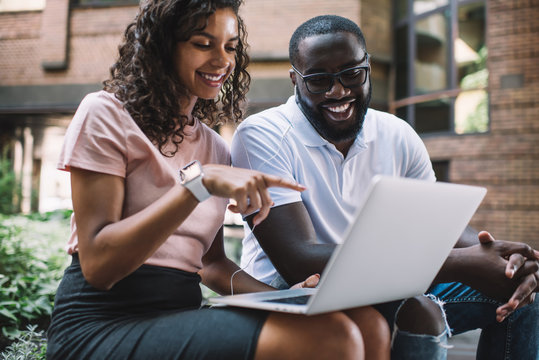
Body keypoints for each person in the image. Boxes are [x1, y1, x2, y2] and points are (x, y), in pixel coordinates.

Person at [46, 2, 393, 360]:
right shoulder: (105, 114)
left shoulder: (213, 145)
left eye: (230, 47)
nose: (222, 60)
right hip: (102, 323)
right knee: (331, 337)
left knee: (368, 323)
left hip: (177, 313)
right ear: (164, 46)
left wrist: (287, 296)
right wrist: (198, 185)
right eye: (203, 44)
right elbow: (99, 267)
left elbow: (211, 266)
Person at [231, 15, 539, 360]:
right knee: (419, 309)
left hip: (388, 285)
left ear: (368, 67)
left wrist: (503, 260)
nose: (339, 91)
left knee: (520, 291)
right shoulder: (262, 135)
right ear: (295, 79)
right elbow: (299, 260)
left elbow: (441, 227)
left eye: (352, 73)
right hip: (298, 293)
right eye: (319, 80)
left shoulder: (397, 134)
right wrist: (458, 262)